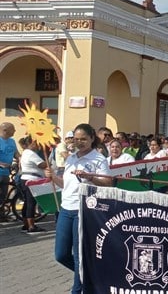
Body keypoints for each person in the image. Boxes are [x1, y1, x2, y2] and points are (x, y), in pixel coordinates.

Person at [44, 123, 112, 294]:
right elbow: (66, 184)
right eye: (76, 139)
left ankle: (78, 290)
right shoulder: (71, 158)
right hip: (65, 209)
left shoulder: (98, 159)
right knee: (61, 254)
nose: (79, 142)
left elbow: (108, 183)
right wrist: (52, 177)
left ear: (91, 139)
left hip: (84, 210)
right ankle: (90, 276)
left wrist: (91, 177)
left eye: (83, 139)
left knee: (79, 257)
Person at [18, 136, 47, 233]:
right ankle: (31, 226)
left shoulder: (25, 152)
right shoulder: (31, 153)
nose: (38, 145)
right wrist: (48, 162)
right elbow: (42, 165)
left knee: (27, 202)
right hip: (31, 179)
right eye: (37, 143)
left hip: (25, 179)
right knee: (31, 203)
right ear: (33, 142)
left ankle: (26, 224)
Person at [0, 122, 20, 221]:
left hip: (6, 173)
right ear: (5, 130)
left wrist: (21, 160)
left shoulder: (12, 141)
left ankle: (2, 215)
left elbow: (16, 153)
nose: (15, 131)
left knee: (3, 196)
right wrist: (2, 164)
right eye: (13, 129)